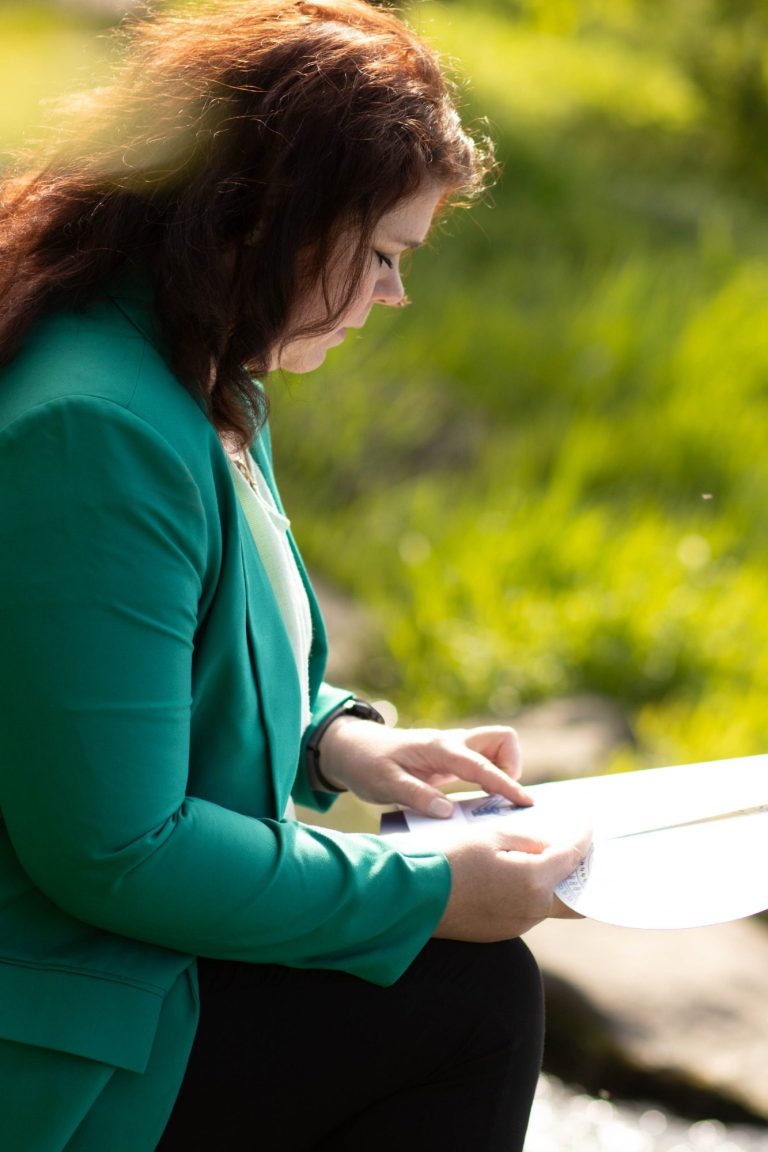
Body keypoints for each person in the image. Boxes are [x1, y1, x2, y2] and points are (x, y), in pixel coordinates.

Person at [0, 2, 590, 1149]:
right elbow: (118, 851)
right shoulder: (96, 430)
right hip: (60, 1026)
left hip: (125, 963)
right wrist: (429, 891)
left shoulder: (197, 369)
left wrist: (338, 741)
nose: (395, 295)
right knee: (466, 1000)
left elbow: (122, 668)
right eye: (384, 255)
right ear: (268, 218)